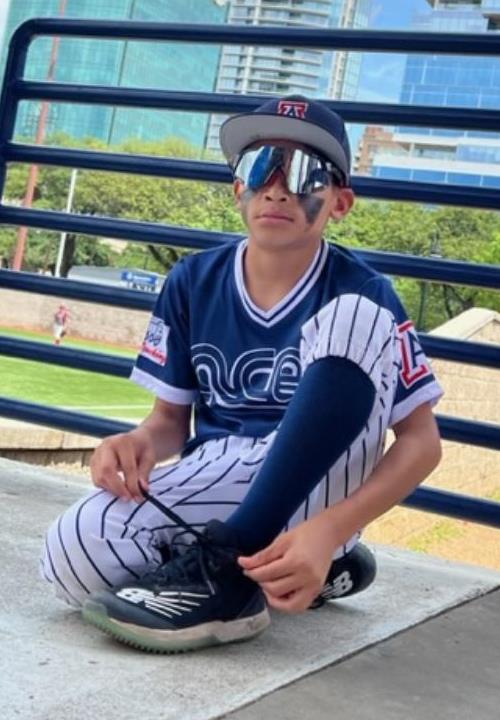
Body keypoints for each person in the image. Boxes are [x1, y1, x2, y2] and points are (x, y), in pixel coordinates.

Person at [41, 95, 443, 654]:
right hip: (218, 474)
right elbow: (169, 423)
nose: (277, 189)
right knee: (73, 555)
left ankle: (243, 574)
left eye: (304, 174)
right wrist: (138, 442)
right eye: (260, 167)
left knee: (356, 314)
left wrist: (331, 528)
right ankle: (270, 571)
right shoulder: (193, 279)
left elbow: (422, 443)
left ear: (340, 202)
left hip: (318, 489)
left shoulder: (363, 290)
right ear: (238, 190)